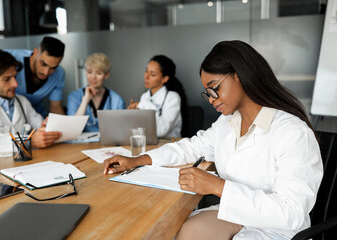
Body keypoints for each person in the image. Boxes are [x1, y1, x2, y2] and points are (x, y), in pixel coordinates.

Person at [103, 40, 323, 239]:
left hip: (276, 229)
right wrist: (139, 160)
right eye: (207, 92)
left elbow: (290, 213)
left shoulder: (292, 132)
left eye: (215, 88)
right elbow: (190, 147)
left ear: (240, 75)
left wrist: (219, 187)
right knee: (175, 232)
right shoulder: (227, 124)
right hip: (237, 215)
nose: (211, 99)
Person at [0, 48, 62, 155]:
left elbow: (38, 125)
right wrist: (25, 141)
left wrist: (46, 128)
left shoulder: (22, 101)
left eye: (15, 77)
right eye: (7, 79)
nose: (15, 84)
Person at [0, 36, 66, 117]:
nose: (46, 72)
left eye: (53, 68)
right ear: (35, 53)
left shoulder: (59, 74)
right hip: (2, 114)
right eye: (43, 64)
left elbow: (56, 109)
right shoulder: (9, 60)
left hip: (33, 115)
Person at [128, 55, 188, 138]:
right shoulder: (144, 96)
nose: (146, 77)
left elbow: (160, 131)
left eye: (152, 74)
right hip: (149, 144)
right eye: (146, 71)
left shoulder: (173, 97)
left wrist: (144, 105)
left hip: (169, 145)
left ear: (164, 79)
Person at [67, 53, 125, 132]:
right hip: (81, 144)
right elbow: (72, 129)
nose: (93, 77)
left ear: (106, 75)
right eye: (89, 72)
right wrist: (85, 100)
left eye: (98, 73)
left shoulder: (117, 100)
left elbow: (120, 130)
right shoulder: (74, 97)